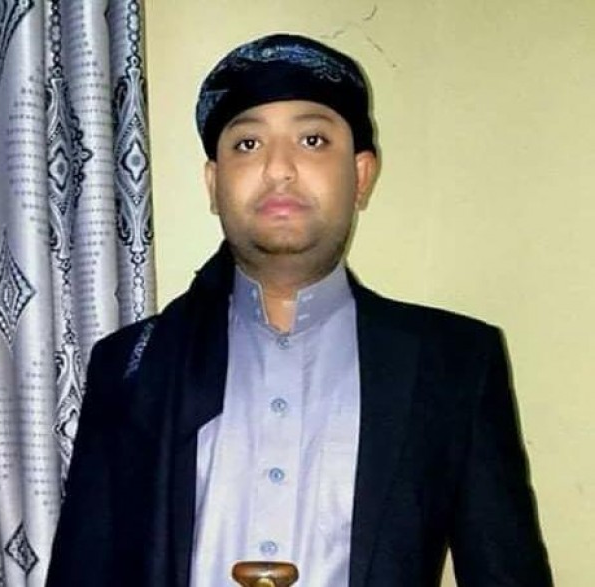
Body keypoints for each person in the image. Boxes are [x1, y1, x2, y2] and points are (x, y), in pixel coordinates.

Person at [46, 33, 552, 586]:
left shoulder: (454, 363)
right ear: (214, 184)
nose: (279, 168)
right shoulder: (130, 367)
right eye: (247, 144)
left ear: (361, 175)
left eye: (312, 140)